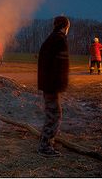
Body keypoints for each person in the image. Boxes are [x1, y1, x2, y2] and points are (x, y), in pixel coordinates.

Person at [37, 15, 70, 157]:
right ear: (65, 26)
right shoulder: (60, 40)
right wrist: (61, 84)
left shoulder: (50, 39)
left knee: (51, 114)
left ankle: (46, 142)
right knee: (54, 115)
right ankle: (45, 146)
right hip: (52, 85)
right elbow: (61, 65)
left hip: (47, 83)